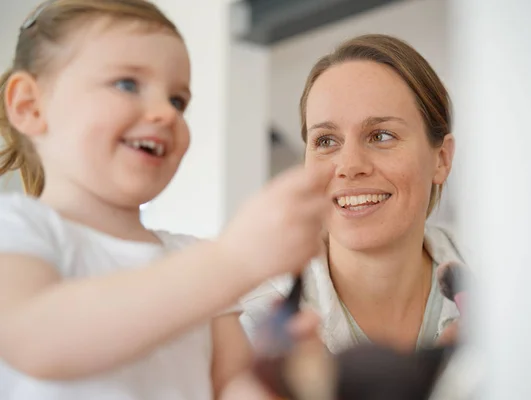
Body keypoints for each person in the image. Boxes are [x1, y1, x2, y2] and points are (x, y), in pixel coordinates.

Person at [0, 1, 327, 399]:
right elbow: (39, 338)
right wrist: (232, 261)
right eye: (127, 84)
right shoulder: (17, 229)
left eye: (177, 100)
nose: (165, 114)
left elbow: (230, 385)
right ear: (30, 106)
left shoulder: (193, 258)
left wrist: (278, 374)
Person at [242, 34, 466, 354]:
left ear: (441, 159)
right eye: (326, 141)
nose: (349, 166)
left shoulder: (512, 294)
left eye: (381, 135)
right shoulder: (253, 330)